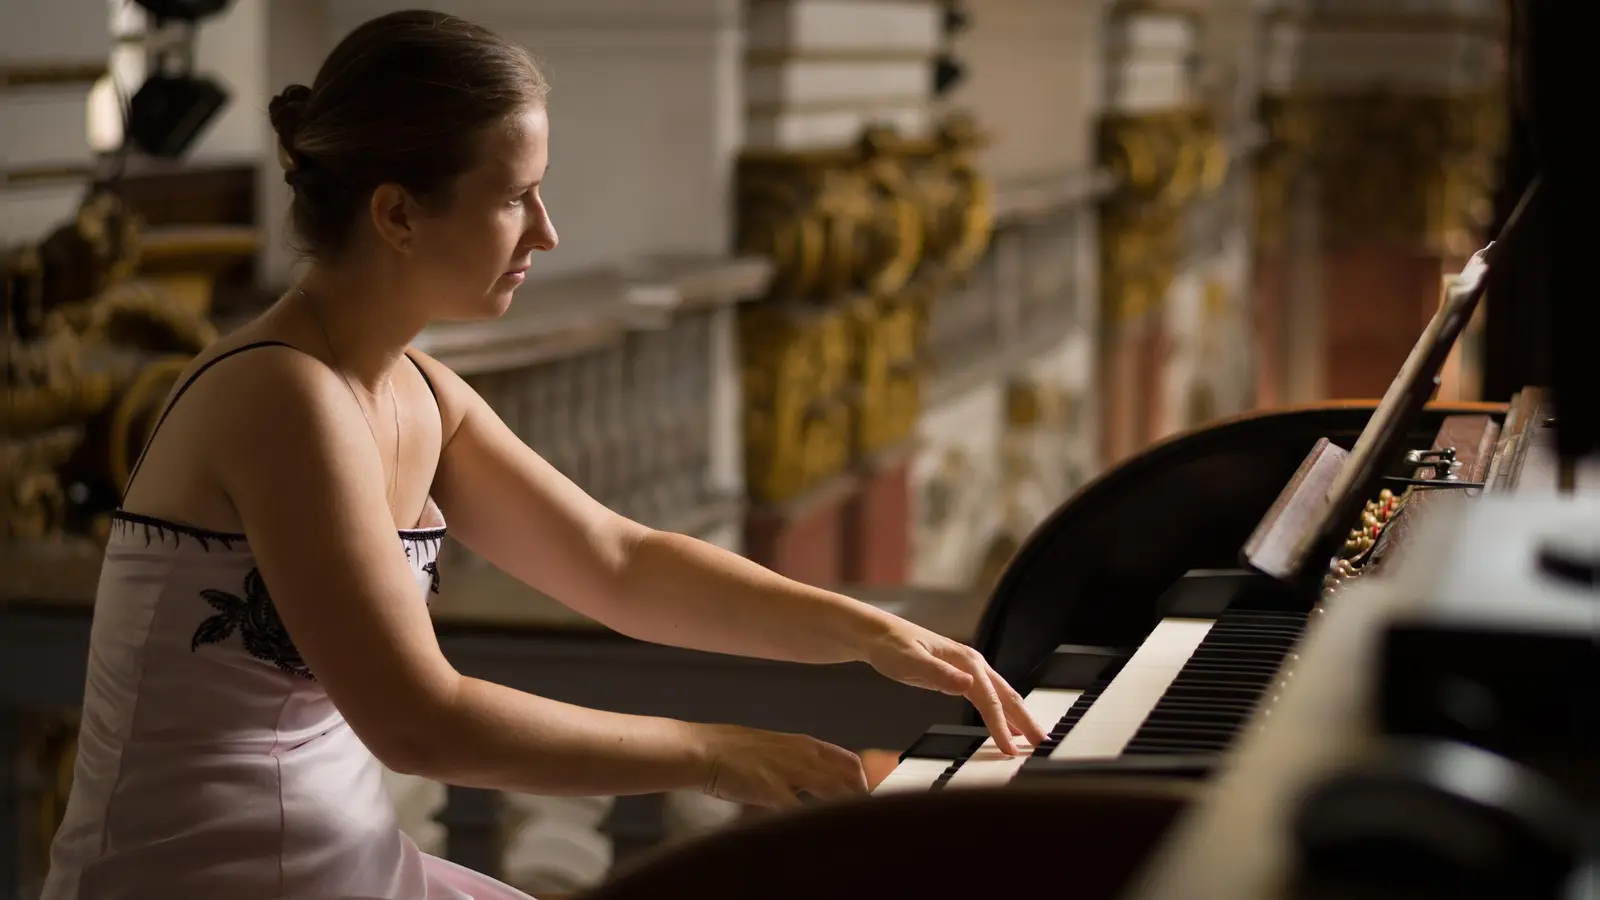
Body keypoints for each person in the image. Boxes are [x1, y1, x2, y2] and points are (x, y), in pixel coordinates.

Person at [41, 9, 1044, 900]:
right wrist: (712, 752)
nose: (548, 232)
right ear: (396, 212)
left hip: (344, 864)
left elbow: (616, 561)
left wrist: (866, 631)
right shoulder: (279, 396)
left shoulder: (419, 389)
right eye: (515, 196)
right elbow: (420, 724)